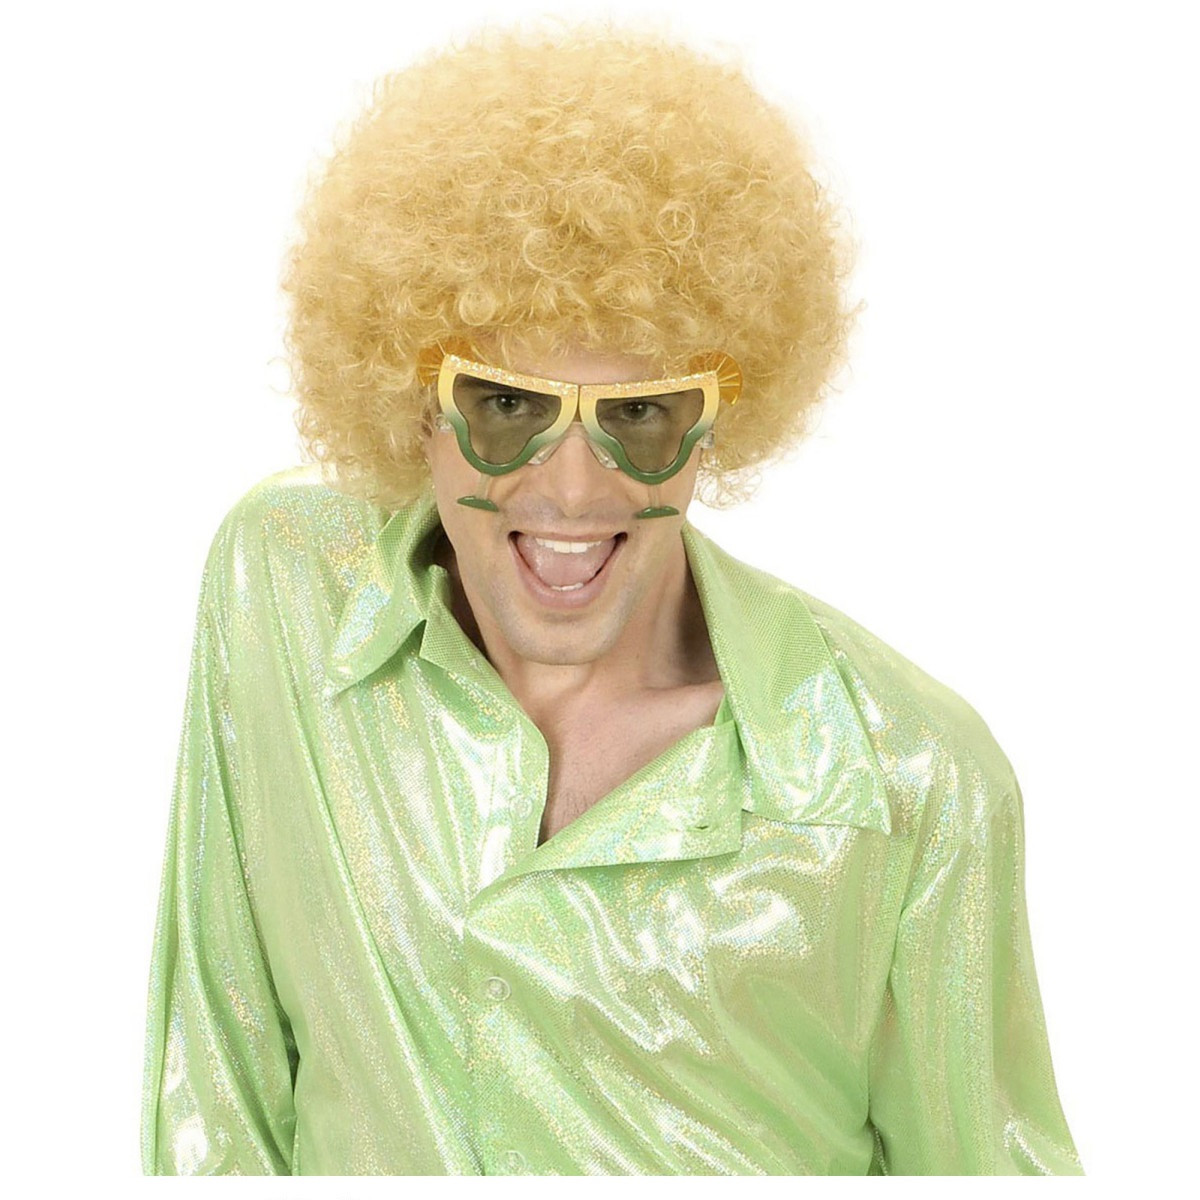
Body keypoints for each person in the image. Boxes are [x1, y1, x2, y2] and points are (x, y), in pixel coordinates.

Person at [140, 21, 1083, 1176]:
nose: (575, 492)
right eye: (507, 407)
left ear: (714, 423)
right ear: (415, 405)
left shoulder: (900, 779)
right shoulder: (289, 591)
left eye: (640, 415)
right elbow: (217, 1086)